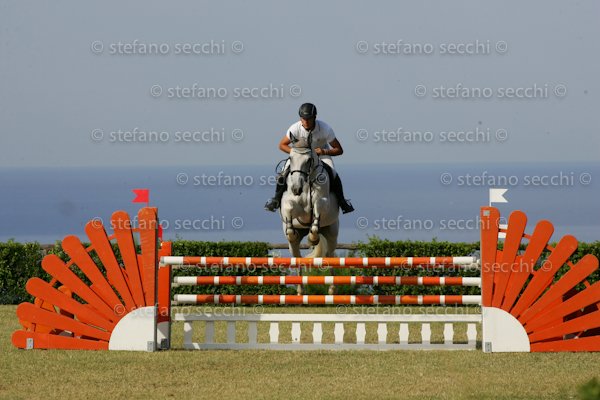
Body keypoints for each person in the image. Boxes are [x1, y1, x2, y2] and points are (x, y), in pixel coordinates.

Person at [264, 103, 354, 214]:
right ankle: (276, 199)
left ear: (314, 117)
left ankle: (342, 202)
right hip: (300, 156)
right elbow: (282, 145)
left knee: (333, 172)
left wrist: (324, 151)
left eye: (309, 119)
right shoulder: (295, 128)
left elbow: (339, 150)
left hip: (321, 155)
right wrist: (296, 153)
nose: (305, 122)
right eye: (303, 118)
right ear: (300, 118)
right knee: (283, 172)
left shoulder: (325, 129)